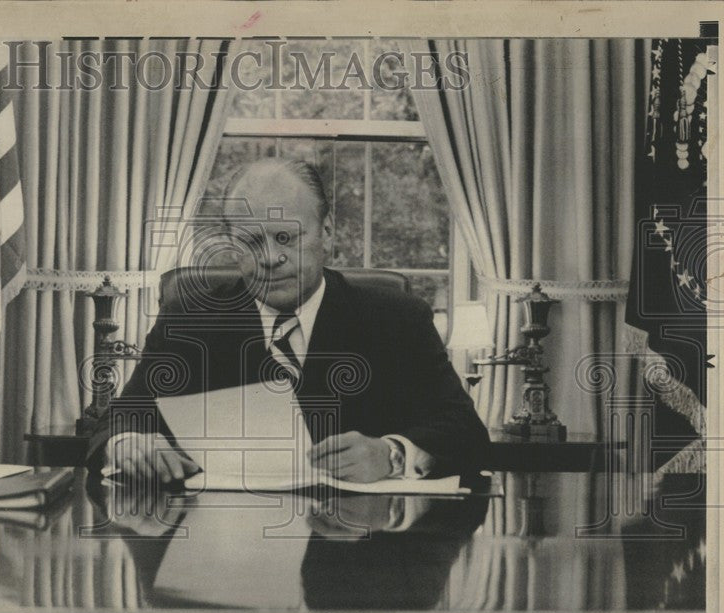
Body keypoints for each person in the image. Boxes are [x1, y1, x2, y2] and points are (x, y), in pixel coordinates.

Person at [88, 157, 490, 483]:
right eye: (250, 241)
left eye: (285, 238)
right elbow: (119, 419)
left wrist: (391, 454)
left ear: (327, 233)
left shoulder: (397, 319)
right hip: (224, 552)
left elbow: (466, 433)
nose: (269, 258)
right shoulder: (190, 319)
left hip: (360, 554)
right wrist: (126, 444)